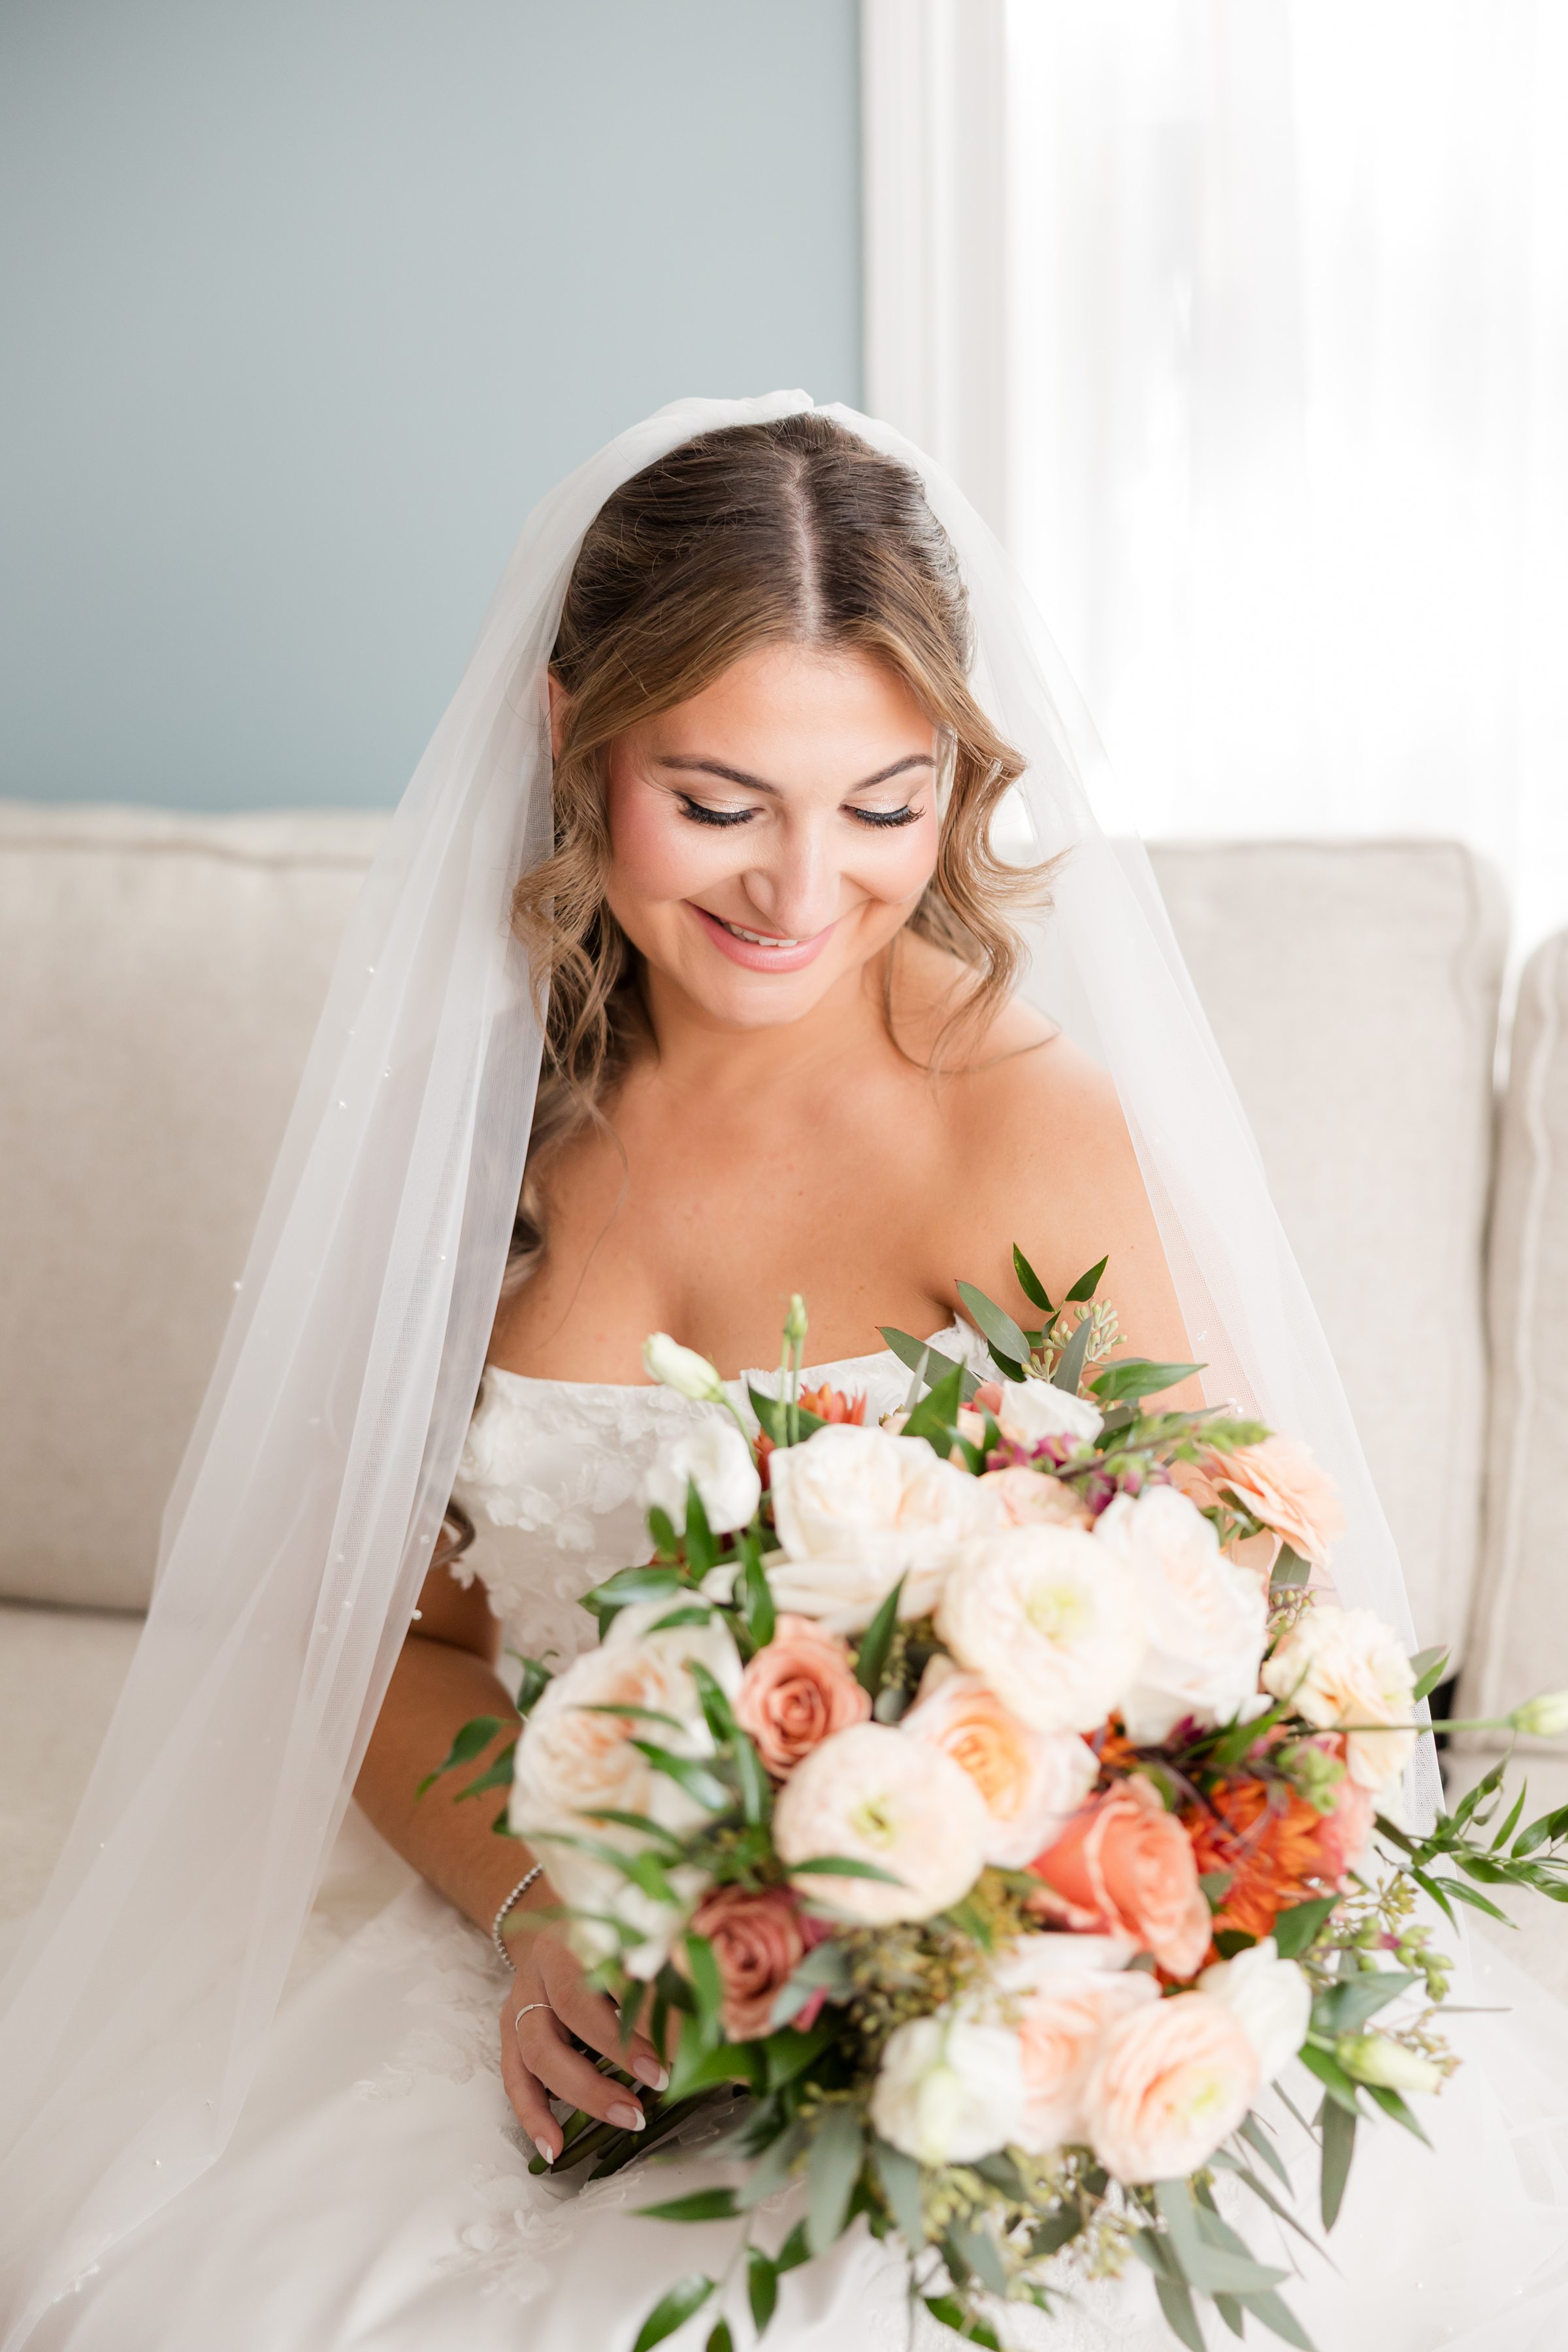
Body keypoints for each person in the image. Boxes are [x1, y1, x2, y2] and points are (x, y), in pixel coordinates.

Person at [5, 398, 1567, 2351]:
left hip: (955, 1990)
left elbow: (1232, 1630)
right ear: (578, 733)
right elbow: (377, 1645)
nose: (799, 891)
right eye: (722, 801)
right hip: (575, 1954)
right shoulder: (473, 1134)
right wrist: (543, 1917)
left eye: (885, 805)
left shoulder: (1014, 1131)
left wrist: (945, 1946)